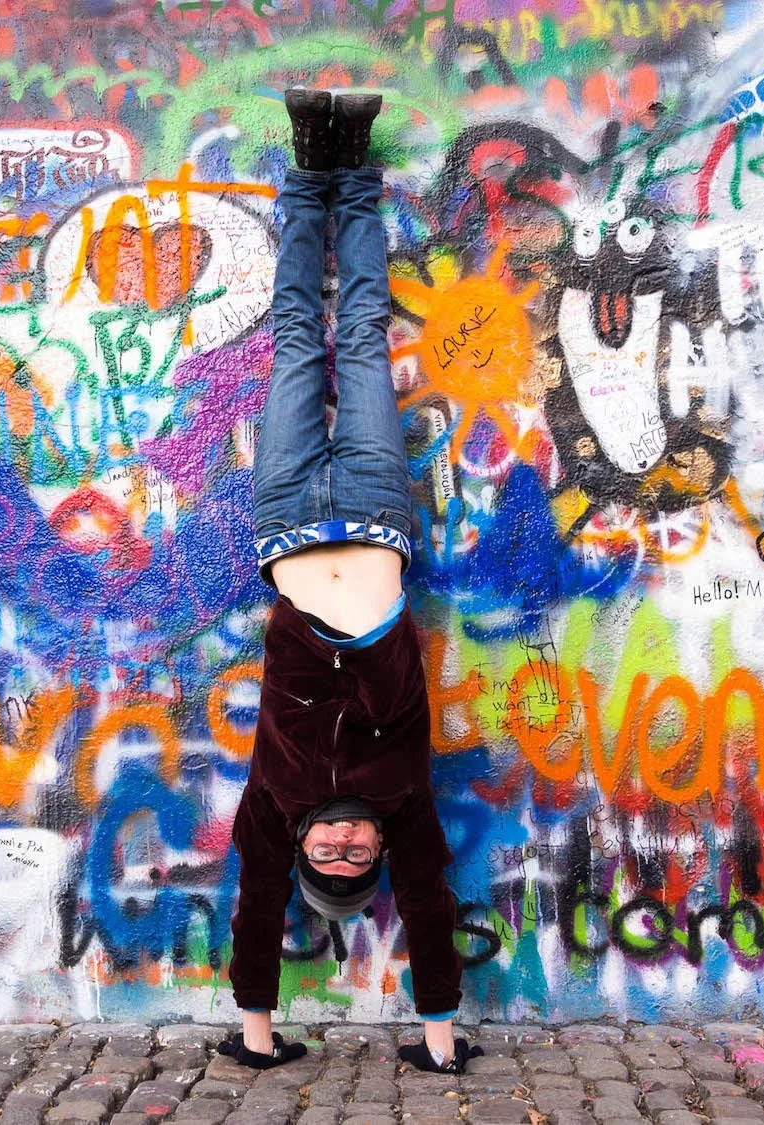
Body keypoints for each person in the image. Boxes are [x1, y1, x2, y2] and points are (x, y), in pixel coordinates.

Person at [216, 88, 483, 1075]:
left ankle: (308, 164)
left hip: (285, 510)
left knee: (296, 331)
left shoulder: (273, 801)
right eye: (350, 863)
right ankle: (352, 165)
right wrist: (439, 1047)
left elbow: (254, 908)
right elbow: (429, 906)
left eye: (322, 862)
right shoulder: (404, 798)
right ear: (374, 855)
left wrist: (255, 1037)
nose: (338, 851)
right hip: (375, 505)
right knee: (361, 330)